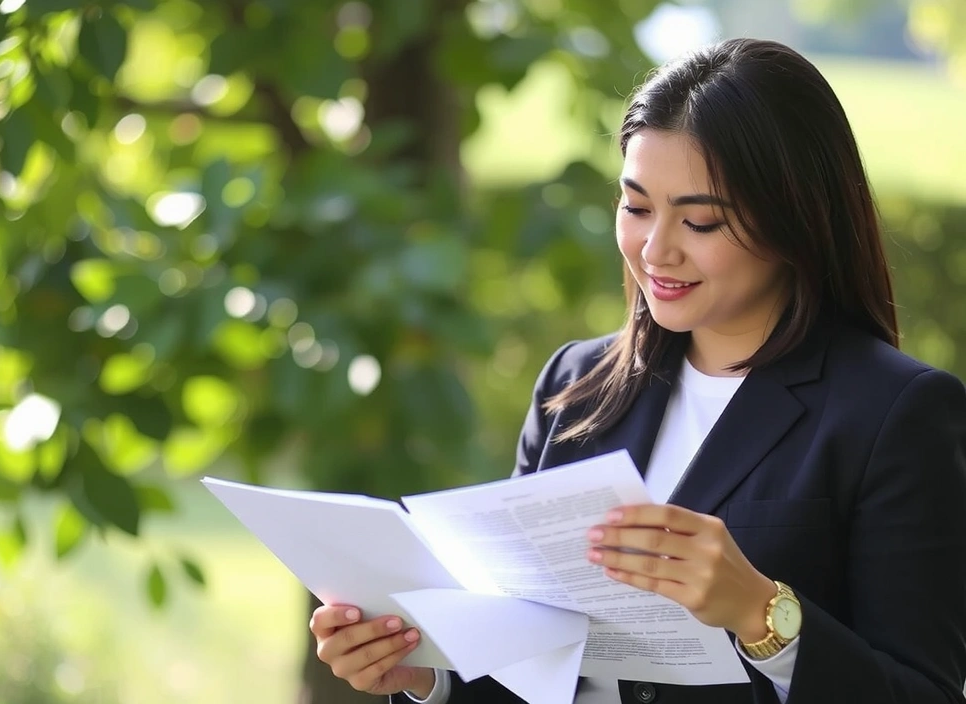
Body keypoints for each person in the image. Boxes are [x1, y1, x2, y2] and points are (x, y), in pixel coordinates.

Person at [308, 37, 966, 704]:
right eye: (637, 206)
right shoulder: (577, 387)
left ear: (796, 218)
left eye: (701, 221)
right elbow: (532, 660)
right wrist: (428, 677)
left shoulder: (896, 413)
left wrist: (765, 616)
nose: (656, 250)